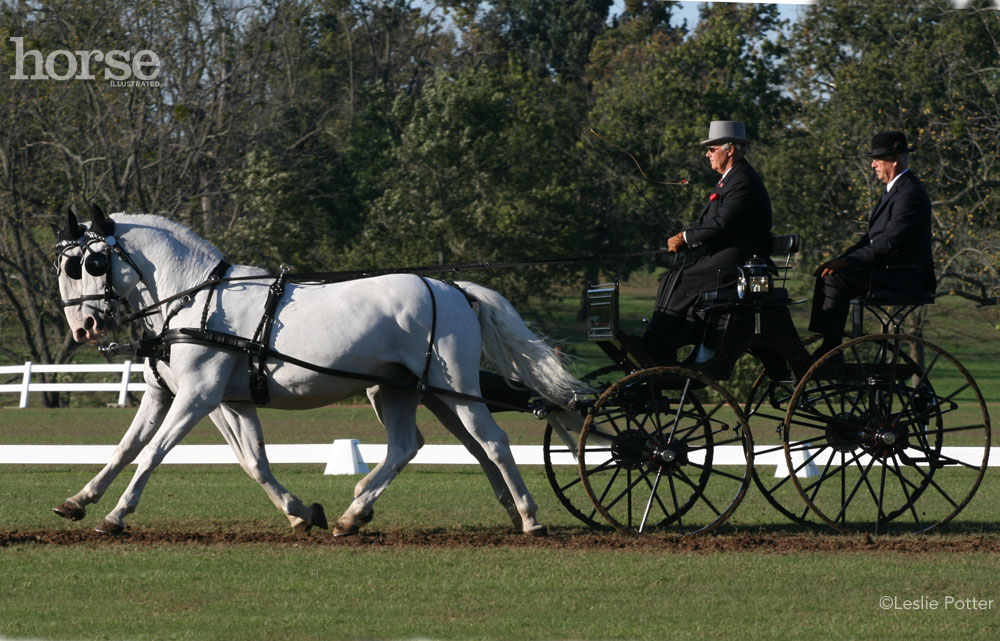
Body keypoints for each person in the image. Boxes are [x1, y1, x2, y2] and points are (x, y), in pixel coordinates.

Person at [642, 120, 773, 363]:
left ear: (730, 149)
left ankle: (658, 341)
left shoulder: (742, 180)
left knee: (680, 279)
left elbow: (721, 224)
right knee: (672, 277)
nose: (707, 154)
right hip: (724, 256)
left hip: (739, 261)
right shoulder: (729, 180)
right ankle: (664, 339)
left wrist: (685, 237)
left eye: (712, 149)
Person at [808, 130, 935, 355]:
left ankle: (830, 349)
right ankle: (827, 340)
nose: (873, 165)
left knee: (836, 279)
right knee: (827, 273)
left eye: (877, 160)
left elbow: (890, 241)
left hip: (905, 275)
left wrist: (847, 264)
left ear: (894, 160)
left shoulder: (909, 192)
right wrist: (841, 259)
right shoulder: (894, 190)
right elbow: (871, 238)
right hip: (889, 270)